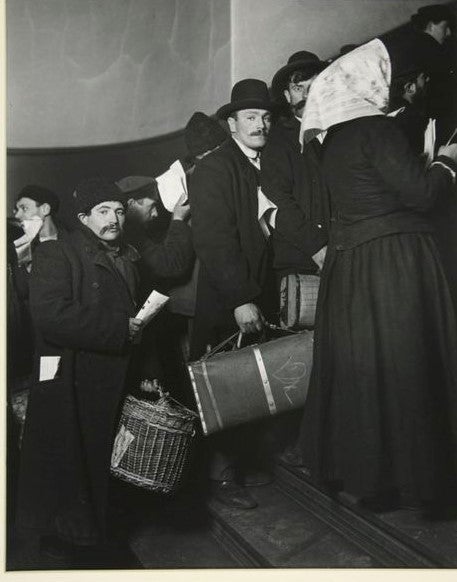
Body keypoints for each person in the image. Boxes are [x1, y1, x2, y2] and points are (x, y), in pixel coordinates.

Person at [297, 38, 457, 511]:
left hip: (355, 265)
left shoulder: (334, 140)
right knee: (409, 365)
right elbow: (423, 196)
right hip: (396, 260)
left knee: (370, 372)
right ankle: (422, 481)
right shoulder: (378, 131)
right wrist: (447, 162)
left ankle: (370, 475)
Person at [15, 178, 144, 560]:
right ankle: (76, 548)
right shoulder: (58, 253)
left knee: (100, 465)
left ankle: (95, 540)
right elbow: (51, 317)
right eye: (104, 211)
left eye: (120, 211)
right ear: (84, 217)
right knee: (71, 469)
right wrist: (119, 329)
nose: (115, 219)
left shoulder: (127, 255)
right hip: (73, 381)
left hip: (110, 376)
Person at [189, 79, 277, 509]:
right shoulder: (214, 168)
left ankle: (247, 463)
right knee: (222, 386)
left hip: (262, 290)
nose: (260, 124)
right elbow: (214, 240)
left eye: (264, 117)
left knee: (256, 382)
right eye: (250, 117)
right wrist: (241, 298)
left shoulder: (269, 161)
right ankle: (221, 478)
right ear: (231, 123)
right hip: (229, 297)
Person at [261, 51, 329, 331]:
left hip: (337, 255)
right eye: (298, 88)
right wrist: (318, 248)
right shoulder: (278, 141)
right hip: (301, 261)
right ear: (287, 96)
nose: (306, 95)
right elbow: (278, 202)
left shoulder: (335, 133)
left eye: (313, 87)